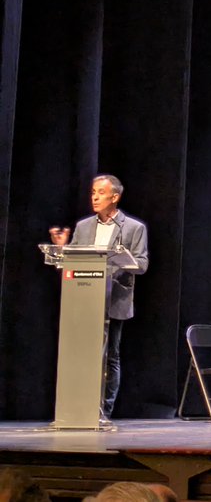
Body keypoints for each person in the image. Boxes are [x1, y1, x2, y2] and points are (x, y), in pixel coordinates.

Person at [48, 174, 149, 420]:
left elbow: (143, 264)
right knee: (81, 354)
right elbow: (73, 261)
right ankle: (75, 408)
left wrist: (125, 259)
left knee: (109, 356)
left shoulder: (134, 228)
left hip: (114, 300)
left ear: (115, 197)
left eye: (101, 192)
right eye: (93, 191)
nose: (95, 197)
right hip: (84, 298)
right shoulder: (83, 226)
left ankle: (103, 410)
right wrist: (62, 251)